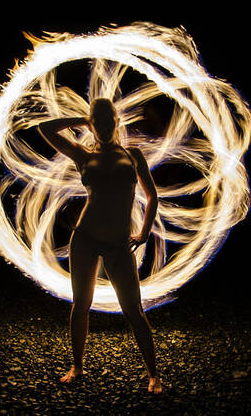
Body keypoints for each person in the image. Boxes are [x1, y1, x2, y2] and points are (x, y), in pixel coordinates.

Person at [37, 98, 162, 394]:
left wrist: (144, 232)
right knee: (81, 305)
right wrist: (82, 119)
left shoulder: (133, 155)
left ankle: (154, 375)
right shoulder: (82, 155)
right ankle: (77, 366)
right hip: (85, 238)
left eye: (109, 121)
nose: (104, 127)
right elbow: (45, 128)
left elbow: (152, 196)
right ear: (92, 125)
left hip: (119, 243)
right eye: (98, 122)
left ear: (117, 122)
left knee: (134, 310)